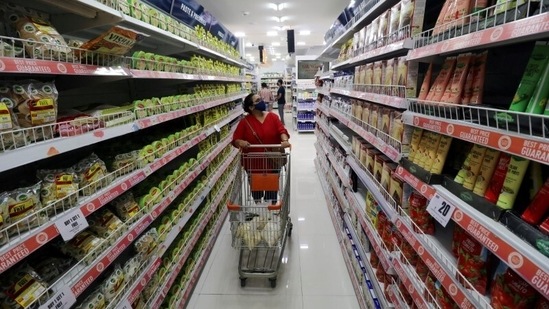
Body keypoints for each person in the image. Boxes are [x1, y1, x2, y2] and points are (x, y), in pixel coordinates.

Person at [233, 93, 290, 203]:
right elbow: (236, 139)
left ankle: (271, 207)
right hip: (253, 163)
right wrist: (241, 142)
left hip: (273, 160)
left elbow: (281, 130)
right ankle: (259, 206)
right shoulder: (245, 122)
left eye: (261, 99)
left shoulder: (273, 117)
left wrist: (285, 140)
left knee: (271, 189)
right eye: (258, 100)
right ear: (251, 107)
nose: (262, 101)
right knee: (257, 189)